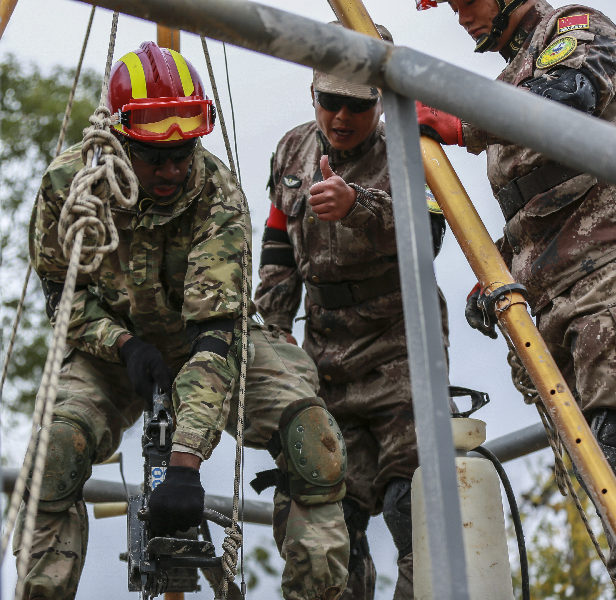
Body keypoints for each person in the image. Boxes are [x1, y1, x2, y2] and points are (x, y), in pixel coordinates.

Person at [14, 41, 349, 600]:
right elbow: (61, 294)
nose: (171, 169)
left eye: (183, 153)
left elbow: (215, 337)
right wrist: (119, 344)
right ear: (120, 140)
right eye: (154, 157)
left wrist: (186, 464)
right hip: (112, 351)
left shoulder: (217, 195)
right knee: (53, 452)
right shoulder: (69, 189)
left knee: (312, 442)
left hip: (212, 344)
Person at [416, 1, 616, 598]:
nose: (461, 15)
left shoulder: (577, 29)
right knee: (598, 479)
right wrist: (501, 261)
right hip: (557, 305)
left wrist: (463, 121)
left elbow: (566, 99)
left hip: (613, 286)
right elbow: (545, 197)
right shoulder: (510, 77)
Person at [254, 24, 449, 600]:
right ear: (312, 96)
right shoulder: (293, 150)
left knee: (412, 501)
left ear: (380, 102)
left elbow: (430, 235)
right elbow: (277, 245)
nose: (341, 117)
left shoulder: (413, 148)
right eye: (329, 102)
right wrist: (270, 330)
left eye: (356, 106)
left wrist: (358, 205)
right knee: (324, 510)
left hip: (399, 350)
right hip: (326, 356)